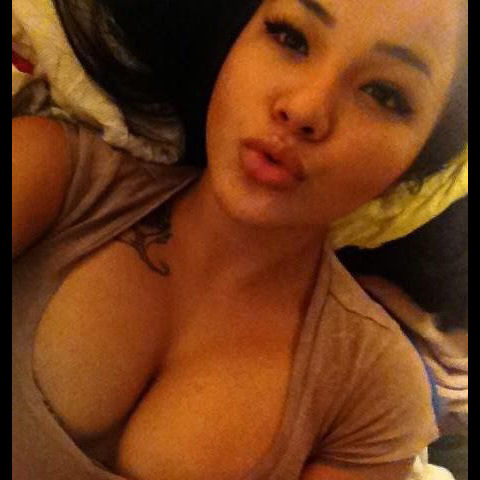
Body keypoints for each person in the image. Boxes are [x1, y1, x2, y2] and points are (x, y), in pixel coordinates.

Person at [12, 0, 467, 479]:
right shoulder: (57, 176)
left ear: (415, 162)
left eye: (383, 94)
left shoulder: (371, 391)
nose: (304, 108)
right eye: (290, 37)